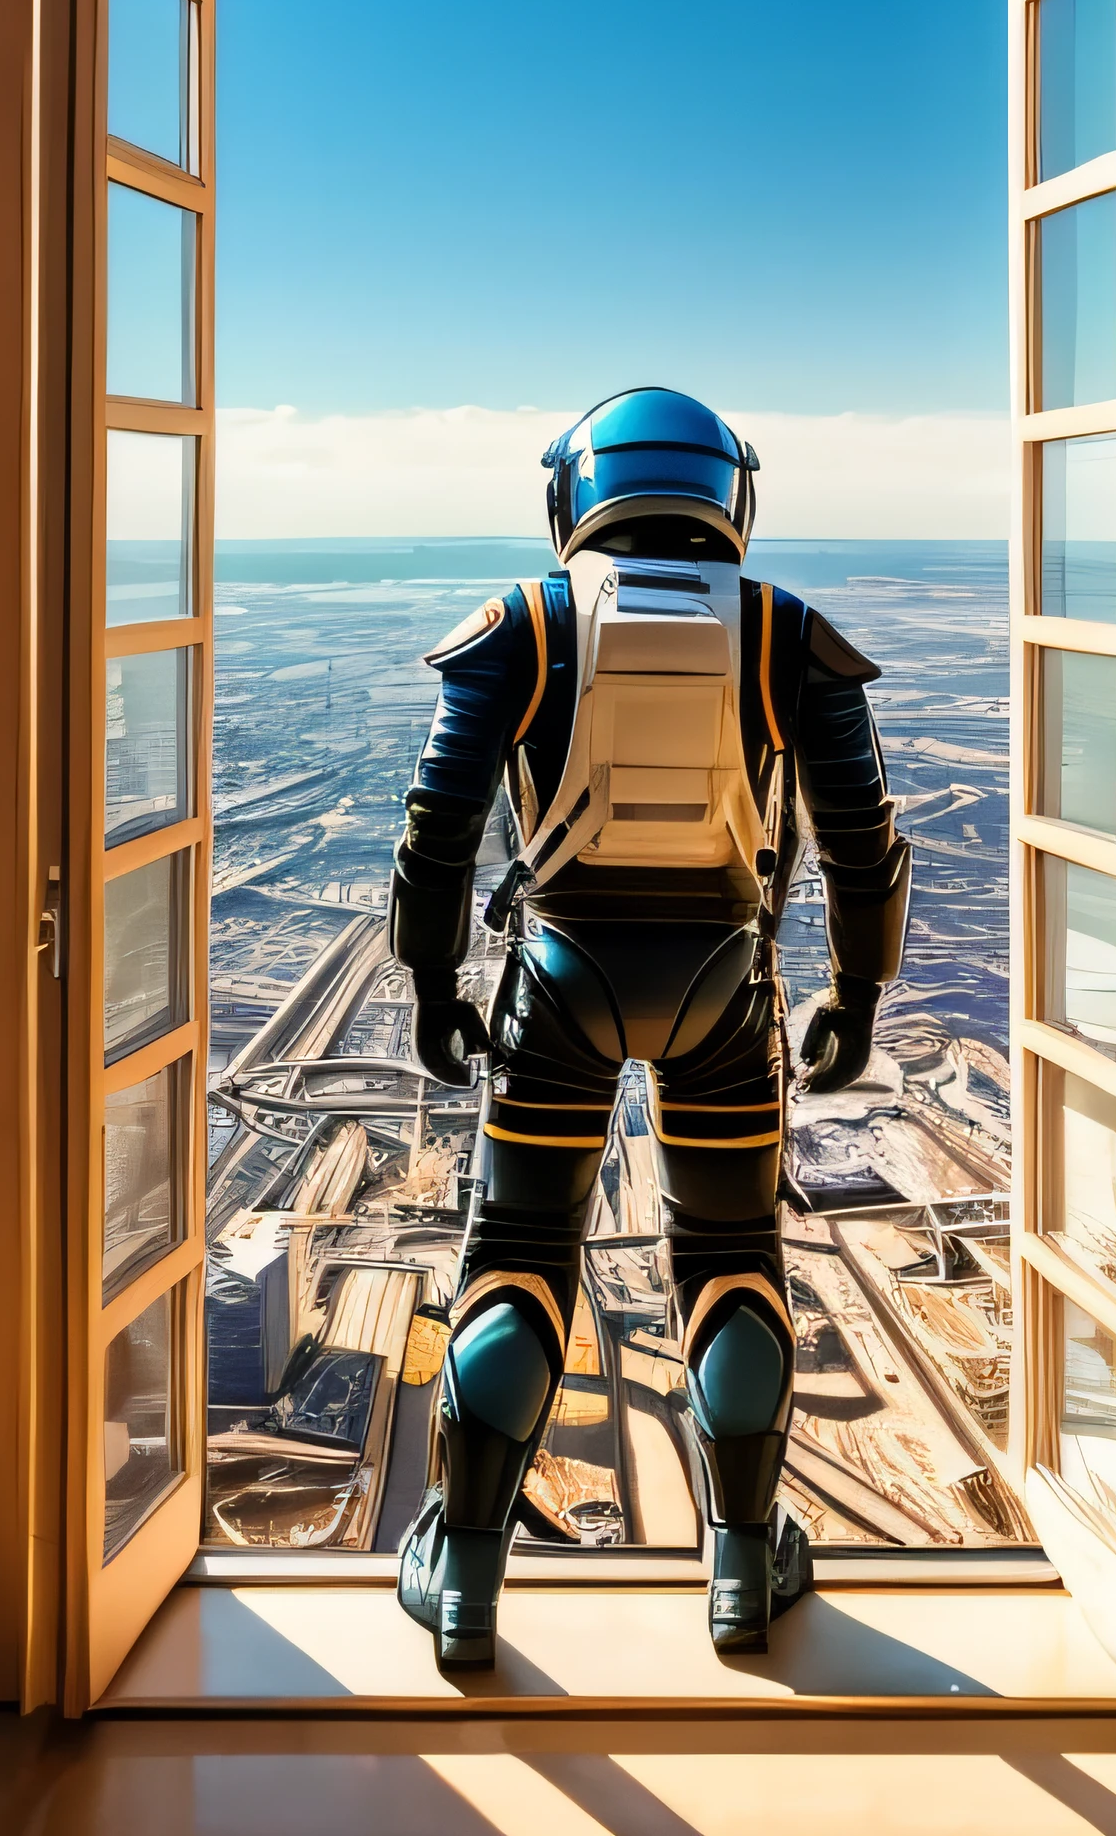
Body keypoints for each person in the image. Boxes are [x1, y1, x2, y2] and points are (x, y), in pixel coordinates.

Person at [389, 387, 911, 1666]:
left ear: (574, 492)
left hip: (554, 987)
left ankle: (463, 1578)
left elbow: (438, 828)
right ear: (728, 492)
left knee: (515, 1250)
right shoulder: (790, 633)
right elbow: (861, 844)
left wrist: (431, 986)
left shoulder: (519, 625)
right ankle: (740, 1568)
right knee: (732, 1255)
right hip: (730, 994)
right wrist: (855, 994)